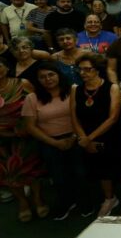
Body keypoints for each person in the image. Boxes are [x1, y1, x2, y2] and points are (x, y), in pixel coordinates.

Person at [71, 53, 121, 218]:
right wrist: (84, 139)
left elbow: (113, 118)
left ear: (97, 70)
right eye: (80, 69)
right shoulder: (75, 89)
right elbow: (74, 117)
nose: (83, 73)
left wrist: (89, 138)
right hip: (87, 137)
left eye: (87, 69)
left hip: (112, 135)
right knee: (101, 170)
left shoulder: (112, 88)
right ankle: (109, 199)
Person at [23, 62, 92, 220]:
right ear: (37, 80)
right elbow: (30, 127)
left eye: (51, 75)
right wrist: (55, 143)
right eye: (42, 77)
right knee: (59, 176)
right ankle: (66, 202)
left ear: (59, 75)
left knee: (80, 173)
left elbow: (84, 116)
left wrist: (74, 137)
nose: (48, 79)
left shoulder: (73, 90)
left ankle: (85, 201)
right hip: (49, 141)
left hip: (76, 137)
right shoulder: (31, 98)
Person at [0, 57, 46, 222]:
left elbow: (37, 104)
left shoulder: (22, 83)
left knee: (32, 169)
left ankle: (38, 199)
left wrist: (28, 126)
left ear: (7, 68)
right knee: (8, 173)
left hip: (25, 134)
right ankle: (22, 202)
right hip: (2, 138)